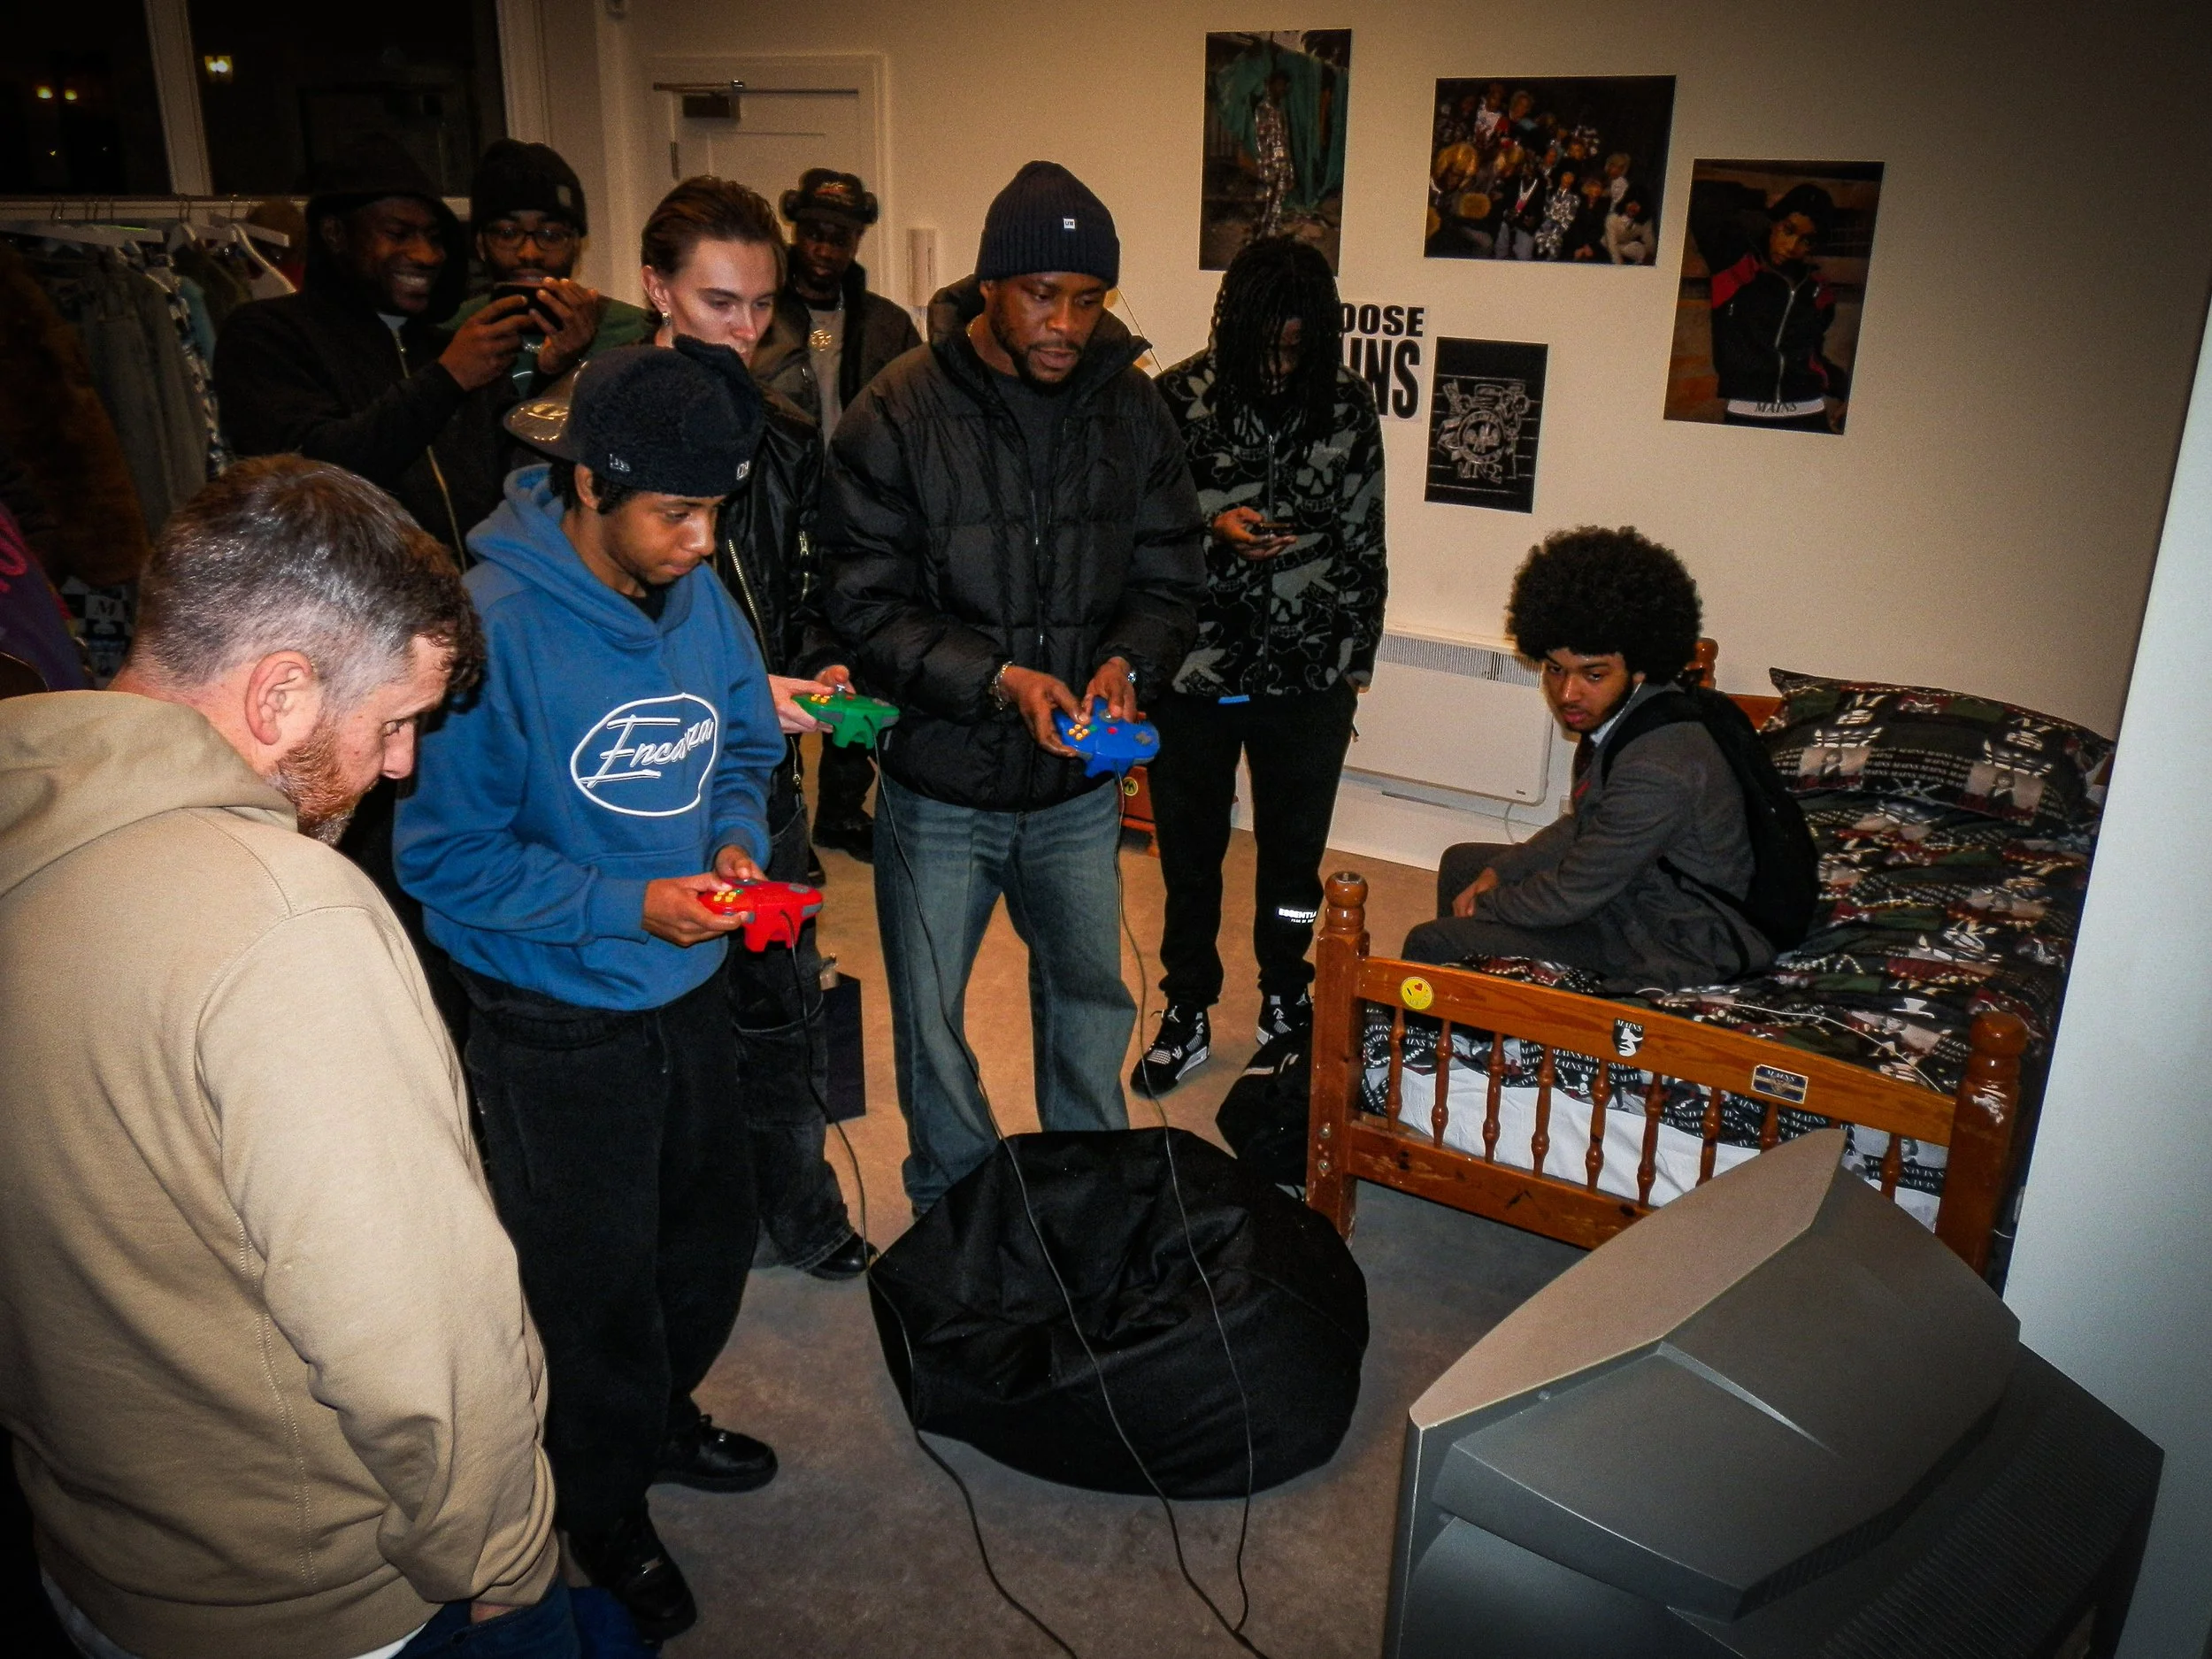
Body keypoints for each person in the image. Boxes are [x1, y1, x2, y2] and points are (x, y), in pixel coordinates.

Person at [0, 457, 572, 1659]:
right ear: (281, 693)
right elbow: (419, 1331)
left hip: (94, 1552)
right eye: (397, 721)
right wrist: (508, 1548)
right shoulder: (289, 919)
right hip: (315, 1597)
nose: (402, 766)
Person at [395, 342, 786, 1640]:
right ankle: (603, 1500)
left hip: (686, 980)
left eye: (715, 511)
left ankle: (658, 1413)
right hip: (553, 1013)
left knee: (706, 1233)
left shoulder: (702, 595)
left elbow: (741, 738)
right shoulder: (491, 627)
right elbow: (441, 856)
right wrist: (627, 900)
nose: (699, 537)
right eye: (675, 512)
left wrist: (733, 837)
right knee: (591, 1278)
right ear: (585, 486)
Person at [822, 160, 1205, 1212]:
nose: (1066, 324)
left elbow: (1171, 576)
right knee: (935, 1019)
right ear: (989, 285)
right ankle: (958, 1203)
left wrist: (1132, 662)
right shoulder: (897, 409)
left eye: (1089, 301)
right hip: (939, 785)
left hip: (1078, 794)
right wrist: (998, 680)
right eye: (1043, 294)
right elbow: (860, 603)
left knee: (1090, 996)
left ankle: (1091, 1190)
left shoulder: (1132, 411)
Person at [1136, 238, 1386, 1094]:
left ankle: (1287, 993)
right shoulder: (1177, 398)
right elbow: (1139, 528)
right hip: (1195, 676)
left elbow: (1365, 540)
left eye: (1298, 342)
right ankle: (1187, 1004)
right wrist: (1213, 525)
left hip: (1307, 682)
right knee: (1190, 862)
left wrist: (1354, 667)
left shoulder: (1347, 406)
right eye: (1270, 342)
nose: (1284, 359)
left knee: (1291, 865)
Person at [1402, 527, 1771, 992]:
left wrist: (1489, 905)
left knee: (1432, 942)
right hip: (1643, 890)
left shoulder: (1658, 767)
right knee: (1466, 865)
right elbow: (1587, 825)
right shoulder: (1634, 711)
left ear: (1639, 666)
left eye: (1592, 675)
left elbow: (1573, 892)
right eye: (1555, 670)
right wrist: (1502, 873)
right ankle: (1472, 996)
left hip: (1675, 939)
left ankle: (1442, 1037)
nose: (1567, 693)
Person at [215, 134, 531, 557]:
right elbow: (315, 477)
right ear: (335, 234)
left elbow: (517, 477)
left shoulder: (451, 348)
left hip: (477, 605)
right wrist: (446, 380)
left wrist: (551, 372)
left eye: (434, 237)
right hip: (347, 611)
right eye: (398, 233)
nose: (426, 255)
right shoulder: (268, 334)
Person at [755, 167, 923, 864]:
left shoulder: (887, 324)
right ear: (796, 228)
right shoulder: (763, 313)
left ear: (858, 239)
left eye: (842, 236)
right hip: (775, 512)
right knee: (782, 659)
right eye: (815, 232)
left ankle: (844, 806)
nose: (826, 248)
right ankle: (778, 812)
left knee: (856, 662)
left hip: (859, 519)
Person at [447, 138, 656, 398]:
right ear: (480, 245)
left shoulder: (632, 334)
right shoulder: (450, 334)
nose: (529, 254)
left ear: (578, 246)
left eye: (551, 235)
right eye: (508, 233)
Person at [1687, 178, 1851, 433]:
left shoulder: (1817, 291)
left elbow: (1811, 356)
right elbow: (1698, 194)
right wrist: (1760, 198)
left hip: (1809, 413)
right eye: (1789, 230)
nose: (1792, 247)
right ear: (1775, 220)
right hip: (1746, 414)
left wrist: (1850, 391)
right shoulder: (1733, 260)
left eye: (1806, 241)